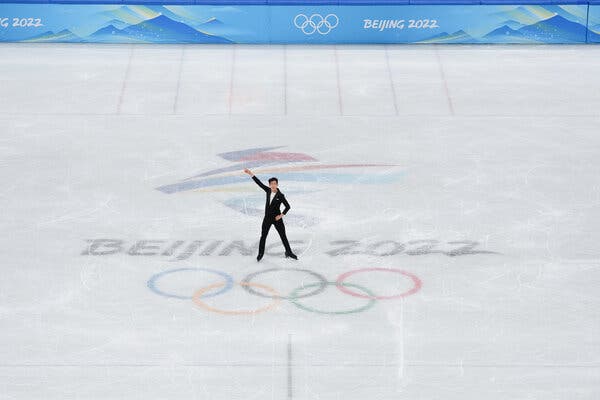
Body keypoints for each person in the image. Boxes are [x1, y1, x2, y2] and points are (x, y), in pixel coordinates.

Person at [243, 168, 298, 261]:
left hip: (277, 219)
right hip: (267, 218)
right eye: (271, 184)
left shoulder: (281, 195)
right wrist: (250, 173)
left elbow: (288, 206)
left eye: (274, 184)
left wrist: (280, 215)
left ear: (277, 184)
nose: (273, 185)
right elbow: (259, 183)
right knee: (263, 236)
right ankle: (260, 253)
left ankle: (289, 252)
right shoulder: (268, 191)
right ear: (269, 185)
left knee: (283, 235)